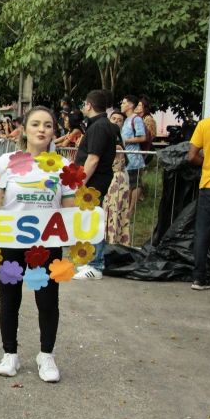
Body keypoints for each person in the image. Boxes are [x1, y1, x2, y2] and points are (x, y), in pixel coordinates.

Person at [0, 106, 76, 383]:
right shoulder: (6, 161)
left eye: (48, 125)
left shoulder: (64, 167)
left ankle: (46, 356)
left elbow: (69, 207)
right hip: (10, 244)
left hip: (47, 246)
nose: (42, 129)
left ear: (54, 131)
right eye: (36, 124)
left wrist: (76, 237)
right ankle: (10, 354)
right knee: (9, 298)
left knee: (48, 301)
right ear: (24, 129)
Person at [73, 89, 122, 280]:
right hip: (93, 182)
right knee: (88, 221)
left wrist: (81, 182)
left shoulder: (99, 127)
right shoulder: (99, 125)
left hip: (93, 183)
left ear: (89, 105)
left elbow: (93, 159)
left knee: (93, 221)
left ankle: (96, 264)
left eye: (85, 104)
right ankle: (90, 260)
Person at [186, 112, 210, 290]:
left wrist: (206, 163)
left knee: (203, 233)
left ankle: (199, 278)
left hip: (209, 185)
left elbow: (191, 156)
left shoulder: (205, 125)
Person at [104, 110, 131, 246]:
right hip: (108, 178)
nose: (115, 121)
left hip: (117, 179)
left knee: (117, 212)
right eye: (113, 118)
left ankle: (115, 242)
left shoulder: (119, 142)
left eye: (119, 119)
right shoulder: (104, 136)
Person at [120, 95, 146, 219]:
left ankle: (131, 209)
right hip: (126, 158)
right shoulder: (126, 119)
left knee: (135, 184)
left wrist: (127, 141)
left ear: (130, 105)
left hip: (134, 158)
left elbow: (142, 137)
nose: (121, 104)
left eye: (124, 102)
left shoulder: (136, 119)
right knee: (129, 184)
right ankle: (127, 208)